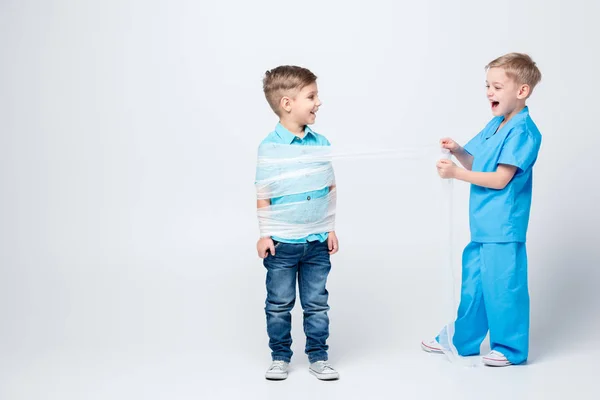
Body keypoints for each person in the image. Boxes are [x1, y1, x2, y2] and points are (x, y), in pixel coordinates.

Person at [422, 53, 543, 367]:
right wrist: (459, 151)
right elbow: (479, 164)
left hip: (504, 227)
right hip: (482, 225)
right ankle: (461, 340)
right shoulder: (495, 125)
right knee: (474, 287)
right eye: (487, 85)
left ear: (522, 91)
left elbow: (501, 179)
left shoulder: (524, 132)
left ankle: (511, 348)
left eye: (497, 86)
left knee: (504, 288)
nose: (490, 92)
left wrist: (455, 174)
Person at [255, 65, 340, 380]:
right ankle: (280, 357)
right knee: (278, 304)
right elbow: (263, 194)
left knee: (317, 304)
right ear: (287, 104)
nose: (318, 102)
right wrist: (265, 235)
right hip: (281, 244)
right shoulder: (270, 148)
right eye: (312, 96)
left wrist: (330, 227)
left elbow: (329, 188)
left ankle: (319, 357)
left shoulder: (321, 143)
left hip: (316, 241)